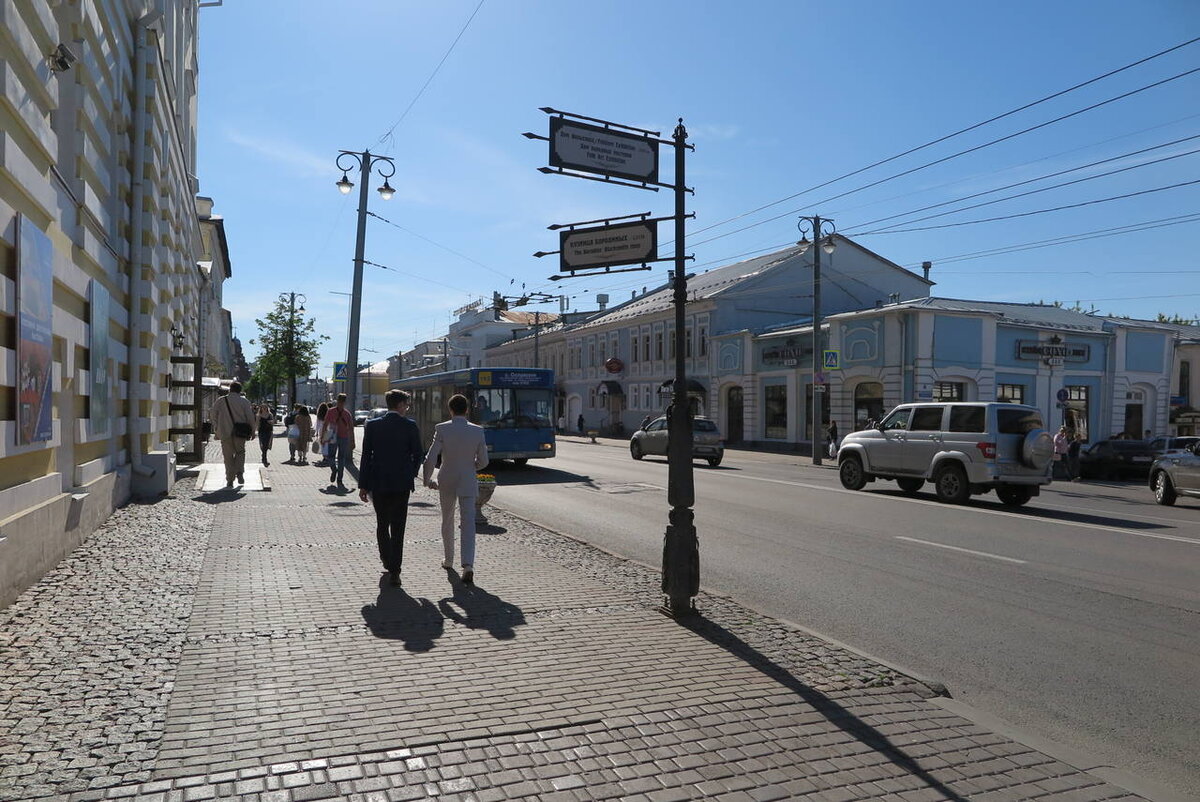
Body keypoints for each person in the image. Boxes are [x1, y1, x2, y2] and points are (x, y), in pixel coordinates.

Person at [359, 390, 424, 587]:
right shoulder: (410, 426)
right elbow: (418, 454)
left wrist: (363, 485)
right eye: (406, 404)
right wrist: (410, 473)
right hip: (401, 484)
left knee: (382, 523)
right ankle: (395, 570)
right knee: (398, 527)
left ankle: (386, 558)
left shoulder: (372, 425)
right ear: (400, 405)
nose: (407, 407)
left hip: (378, 483)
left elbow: (365, 456)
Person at [422, 393, 489, 585]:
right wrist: (470, 467)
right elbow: (484, 461)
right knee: (468, 523)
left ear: (450, 409)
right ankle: (468, 565)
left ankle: (449, 559)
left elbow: (431, 457)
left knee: (447, 519)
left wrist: (427, 480)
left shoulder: (442, 429)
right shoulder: (477, 431)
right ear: (467, 409)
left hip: (447, 479)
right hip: (468, 479)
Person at [211, 380, 255, 488]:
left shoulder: (221, 400)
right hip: (240, 432)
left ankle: (230, 479)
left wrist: (217, 427)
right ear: (240, 390)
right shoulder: (244, 402)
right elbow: (250, 418)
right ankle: (239, 472)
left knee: (228, 456)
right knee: (240, 452)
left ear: (230, 389)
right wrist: (253, 431)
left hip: (225, 432)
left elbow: (213, 413)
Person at [324, 394, 355, 489]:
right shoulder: (347, 413)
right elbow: (351, 428)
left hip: (332, 436)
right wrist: (352, 441)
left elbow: (325, 425)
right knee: (341, 459)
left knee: (330, 456)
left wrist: (322, 437)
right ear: (345, 402)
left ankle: (334, 469)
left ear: (337, 401)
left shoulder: (330, 411)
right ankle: (340, 479)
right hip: (344, 437)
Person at [314, 402, 330, 466]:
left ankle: (325, 457)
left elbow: (317, 424)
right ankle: (327, 456)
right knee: (327, 444)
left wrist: (316, 432)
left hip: (321, 430)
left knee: (323, 444)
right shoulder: (328, 414)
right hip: (328, 430)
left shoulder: (319, 415)